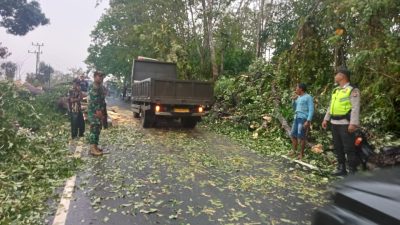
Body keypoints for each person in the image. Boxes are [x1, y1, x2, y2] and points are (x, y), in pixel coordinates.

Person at [322, 67, 360, 176]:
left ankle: (353, 171)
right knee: (338, 147)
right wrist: (326, 119)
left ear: (342, 76)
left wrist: (353, 123)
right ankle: (341, 168)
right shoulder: (336, 90)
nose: (335, 77)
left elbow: (355, 107)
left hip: (345, 124)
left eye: (336, 74)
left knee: (349, 147)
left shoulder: (352, 90)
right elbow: (331, 106)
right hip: (334, 123)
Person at [290, 83, 314, 160]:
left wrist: (308, 120)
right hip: (296, 118)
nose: (296, 89)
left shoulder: (308, 97)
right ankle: (294, 151)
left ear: (301, 89)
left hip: (303, 119)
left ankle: (301, 154)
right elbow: (294, 108)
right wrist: (293, 101)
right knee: (293, 135)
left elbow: (311, 109)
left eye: (297, 88)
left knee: (301, 137)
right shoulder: (298, 97)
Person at [87, 71, 106, 156]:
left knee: (98, 129)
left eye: (102, 76)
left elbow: (102, 100)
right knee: (94, 129)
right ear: (95, 77)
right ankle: (92, 149)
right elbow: (95, 101)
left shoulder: (100, 87)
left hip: (100, 111)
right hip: (94, 111)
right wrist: (99, 112)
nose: (101, 78)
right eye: (100, 76)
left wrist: (103, 113)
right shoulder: (93, 87)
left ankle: (95, 146)